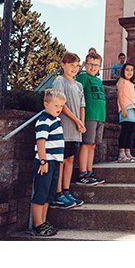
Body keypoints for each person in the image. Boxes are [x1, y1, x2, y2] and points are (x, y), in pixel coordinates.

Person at [51, 52, 85, 207]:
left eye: (77, 65)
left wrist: (81, 123)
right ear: (63, 65)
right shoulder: (60, 80)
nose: (74, 68)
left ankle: (66, 191)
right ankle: (57, 194)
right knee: (61, 161)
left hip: (76, 130)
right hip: (64, 128)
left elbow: (82, 106)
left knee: (70, 159)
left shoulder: (78, 85)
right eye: (71, 65)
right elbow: (60, 104)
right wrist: (76, 120)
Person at [31, 89, 67, 236]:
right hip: (45, 163)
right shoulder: (44, 120)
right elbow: (41, 142)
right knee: (41, 193)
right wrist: (43, 161)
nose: (59, 109)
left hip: (54, 163)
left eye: (61, 106)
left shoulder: (55, 120)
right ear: (46, 104)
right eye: (56, 105)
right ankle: (37, 224)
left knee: (48, 195)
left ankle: (44, 221)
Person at [76, 52, 107, 186]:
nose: (94, 67)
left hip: (100, 116)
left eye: (97, 65)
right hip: (89, 115)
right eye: (91, 64)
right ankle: (82, 173)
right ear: (85, 64)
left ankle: (90, 171)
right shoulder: (83, 77)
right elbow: (78, 94)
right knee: (86, 144)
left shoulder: (99, 80)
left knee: (93, 145)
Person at [116, 62, 135, 163]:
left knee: (130, 132)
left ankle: (128, 153)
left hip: (133, 109)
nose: (129, 72)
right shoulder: (121, 81)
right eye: (127, 70)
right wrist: (123, 108)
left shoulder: (131, 83)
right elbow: (120, 95)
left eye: (131, 70)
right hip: (126, 108)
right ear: (123, 71)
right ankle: (121, 154)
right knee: (125, 131)